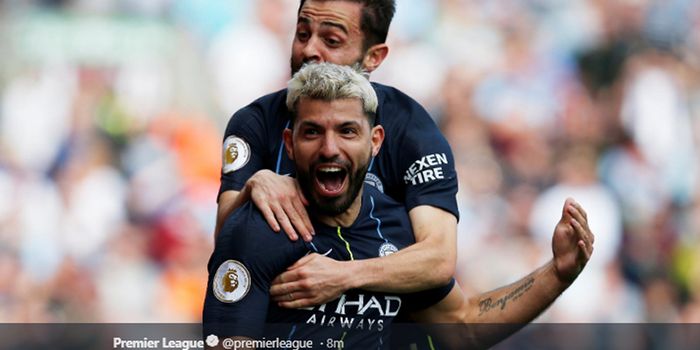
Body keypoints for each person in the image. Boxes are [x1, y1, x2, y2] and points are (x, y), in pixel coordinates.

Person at [204, 63, 595, 349]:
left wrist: (557, 273)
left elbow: (464, 326)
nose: (329, 147)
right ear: (289, 145)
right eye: (312, 132)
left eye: (347, 131)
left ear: (374, 142)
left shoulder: (396, 231)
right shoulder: (257, 229)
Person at [216, 0, 458, 304]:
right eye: (303, 34)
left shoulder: (410, 127)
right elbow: (225, 247)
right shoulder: (255, 121)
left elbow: (438, 258)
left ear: (373, 56)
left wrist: (342, 276)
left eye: (331, 41)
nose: (309, 51)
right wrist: (253, 187)